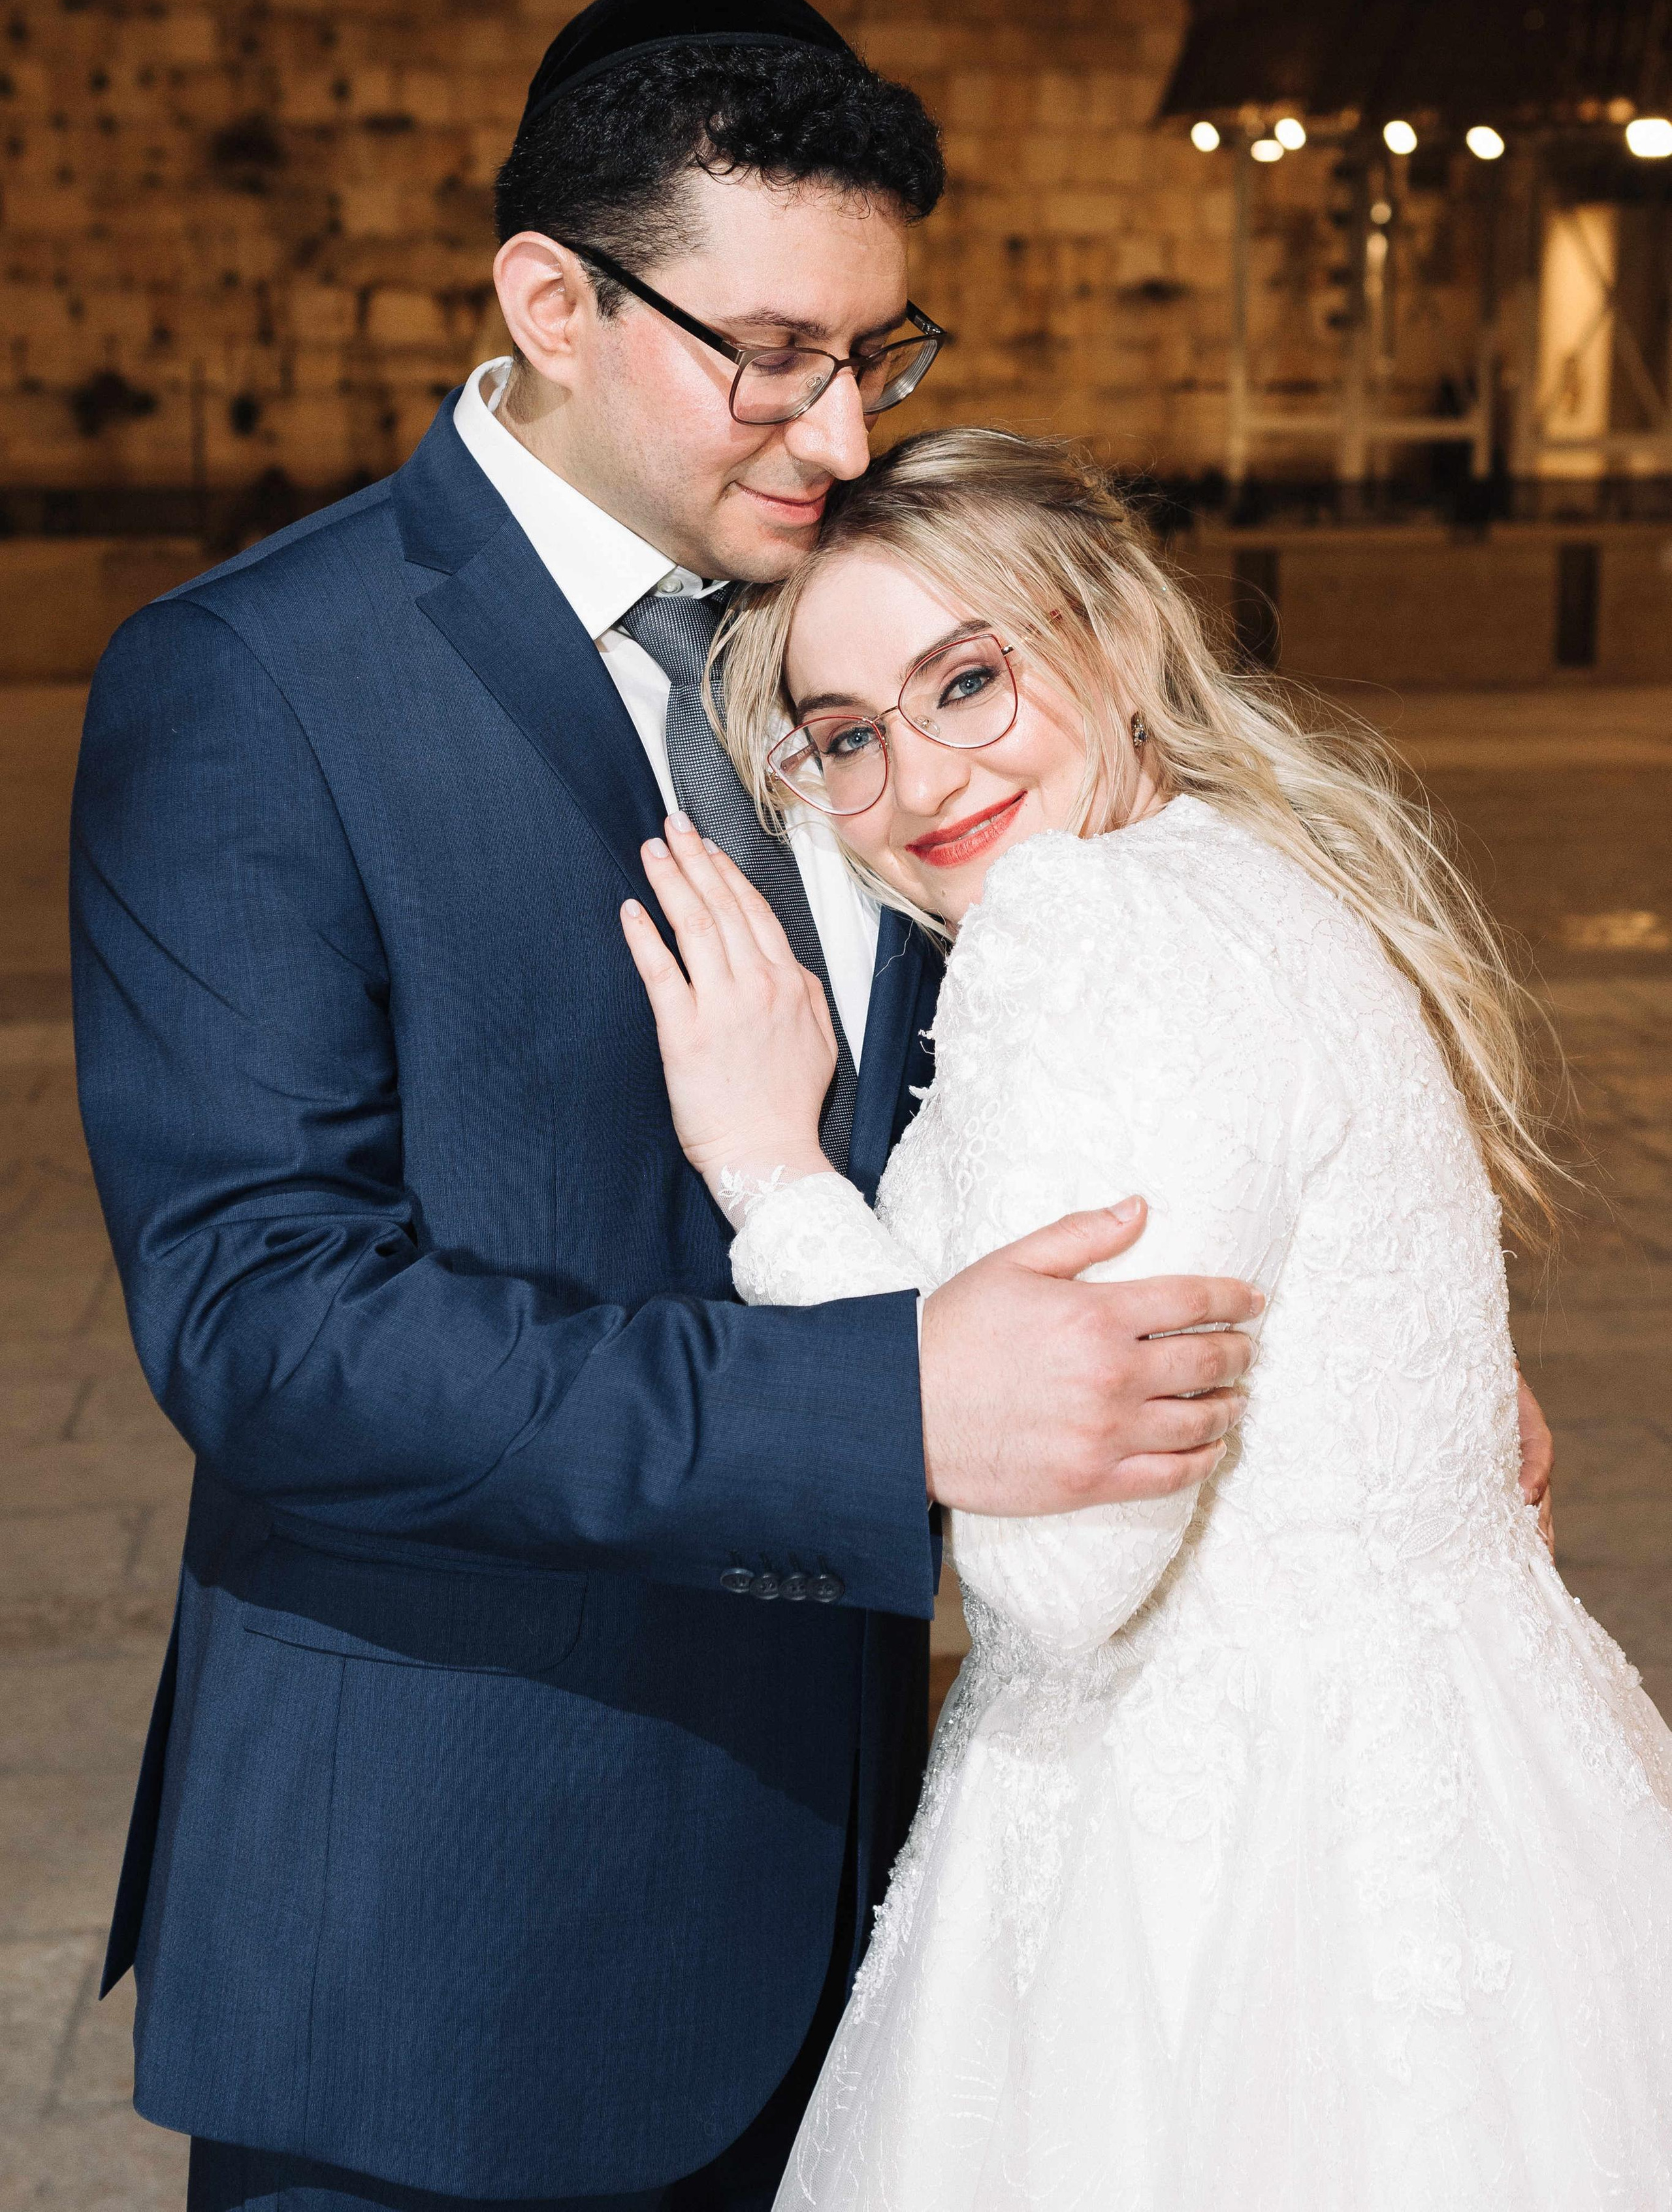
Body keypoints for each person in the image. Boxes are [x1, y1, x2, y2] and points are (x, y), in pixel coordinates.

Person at [70, 0, 1274, 2212]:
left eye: (877, 353)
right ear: (548, 297)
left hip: (886, 1925)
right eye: (772, 355)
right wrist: (879, 1411)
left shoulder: (855, 645)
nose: (835, 433)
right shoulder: (250, 682)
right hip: (446, 1935)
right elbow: (263, 1323)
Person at [620, 426, 1670, 2212]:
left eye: (969, 679)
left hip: (1218, 1864)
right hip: (1466, 1798)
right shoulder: (1244, 874)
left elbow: (1067, 1572)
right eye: (852, 735)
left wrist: (769, 1177)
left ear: (1111, 637)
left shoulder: (1088, 934)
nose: (922, 777)